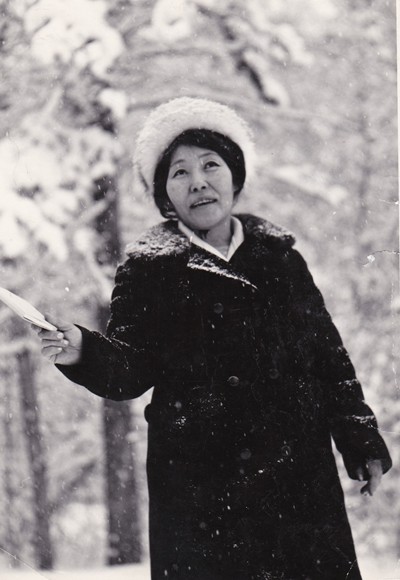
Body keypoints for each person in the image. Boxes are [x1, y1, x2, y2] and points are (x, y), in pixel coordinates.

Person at [34, 97, 392, 580]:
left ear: (234, 175)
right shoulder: (149, 269)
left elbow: (328, 357)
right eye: (179, 172)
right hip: (200, 491)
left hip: (296, 480)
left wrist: (359, 437)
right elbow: (131, 368)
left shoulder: (281, 258)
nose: (198, 181)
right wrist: (83, 350)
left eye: (210, 165)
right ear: (165, 194)